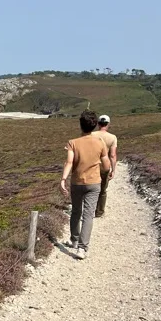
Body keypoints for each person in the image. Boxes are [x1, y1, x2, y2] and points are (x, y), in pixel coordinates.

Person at [60, 110, 111, 260]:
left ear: (80, 125)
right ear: (94, 125)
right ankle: (82, 248)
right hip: (94, 183)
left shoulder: (72, 143)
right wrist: (103, 171)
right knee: (88, 215)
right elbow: (106, 165)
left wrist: (63, 179)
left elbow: (69, 162)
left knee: (76, 211)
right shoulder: (100, 143)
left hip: (77, 182)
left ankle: (74, 240)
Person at [92, 114, 118, 217]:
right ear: (108, 124)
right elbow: (112, 155)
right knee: (102, 190)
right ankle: (99, 211)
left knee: (90, 188)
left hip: (92, 165)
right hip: (104, 166)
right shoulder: (112, 137)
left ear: (98, 124)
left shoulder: (91, 135)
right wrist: (113, 170)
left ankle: (89, 209)